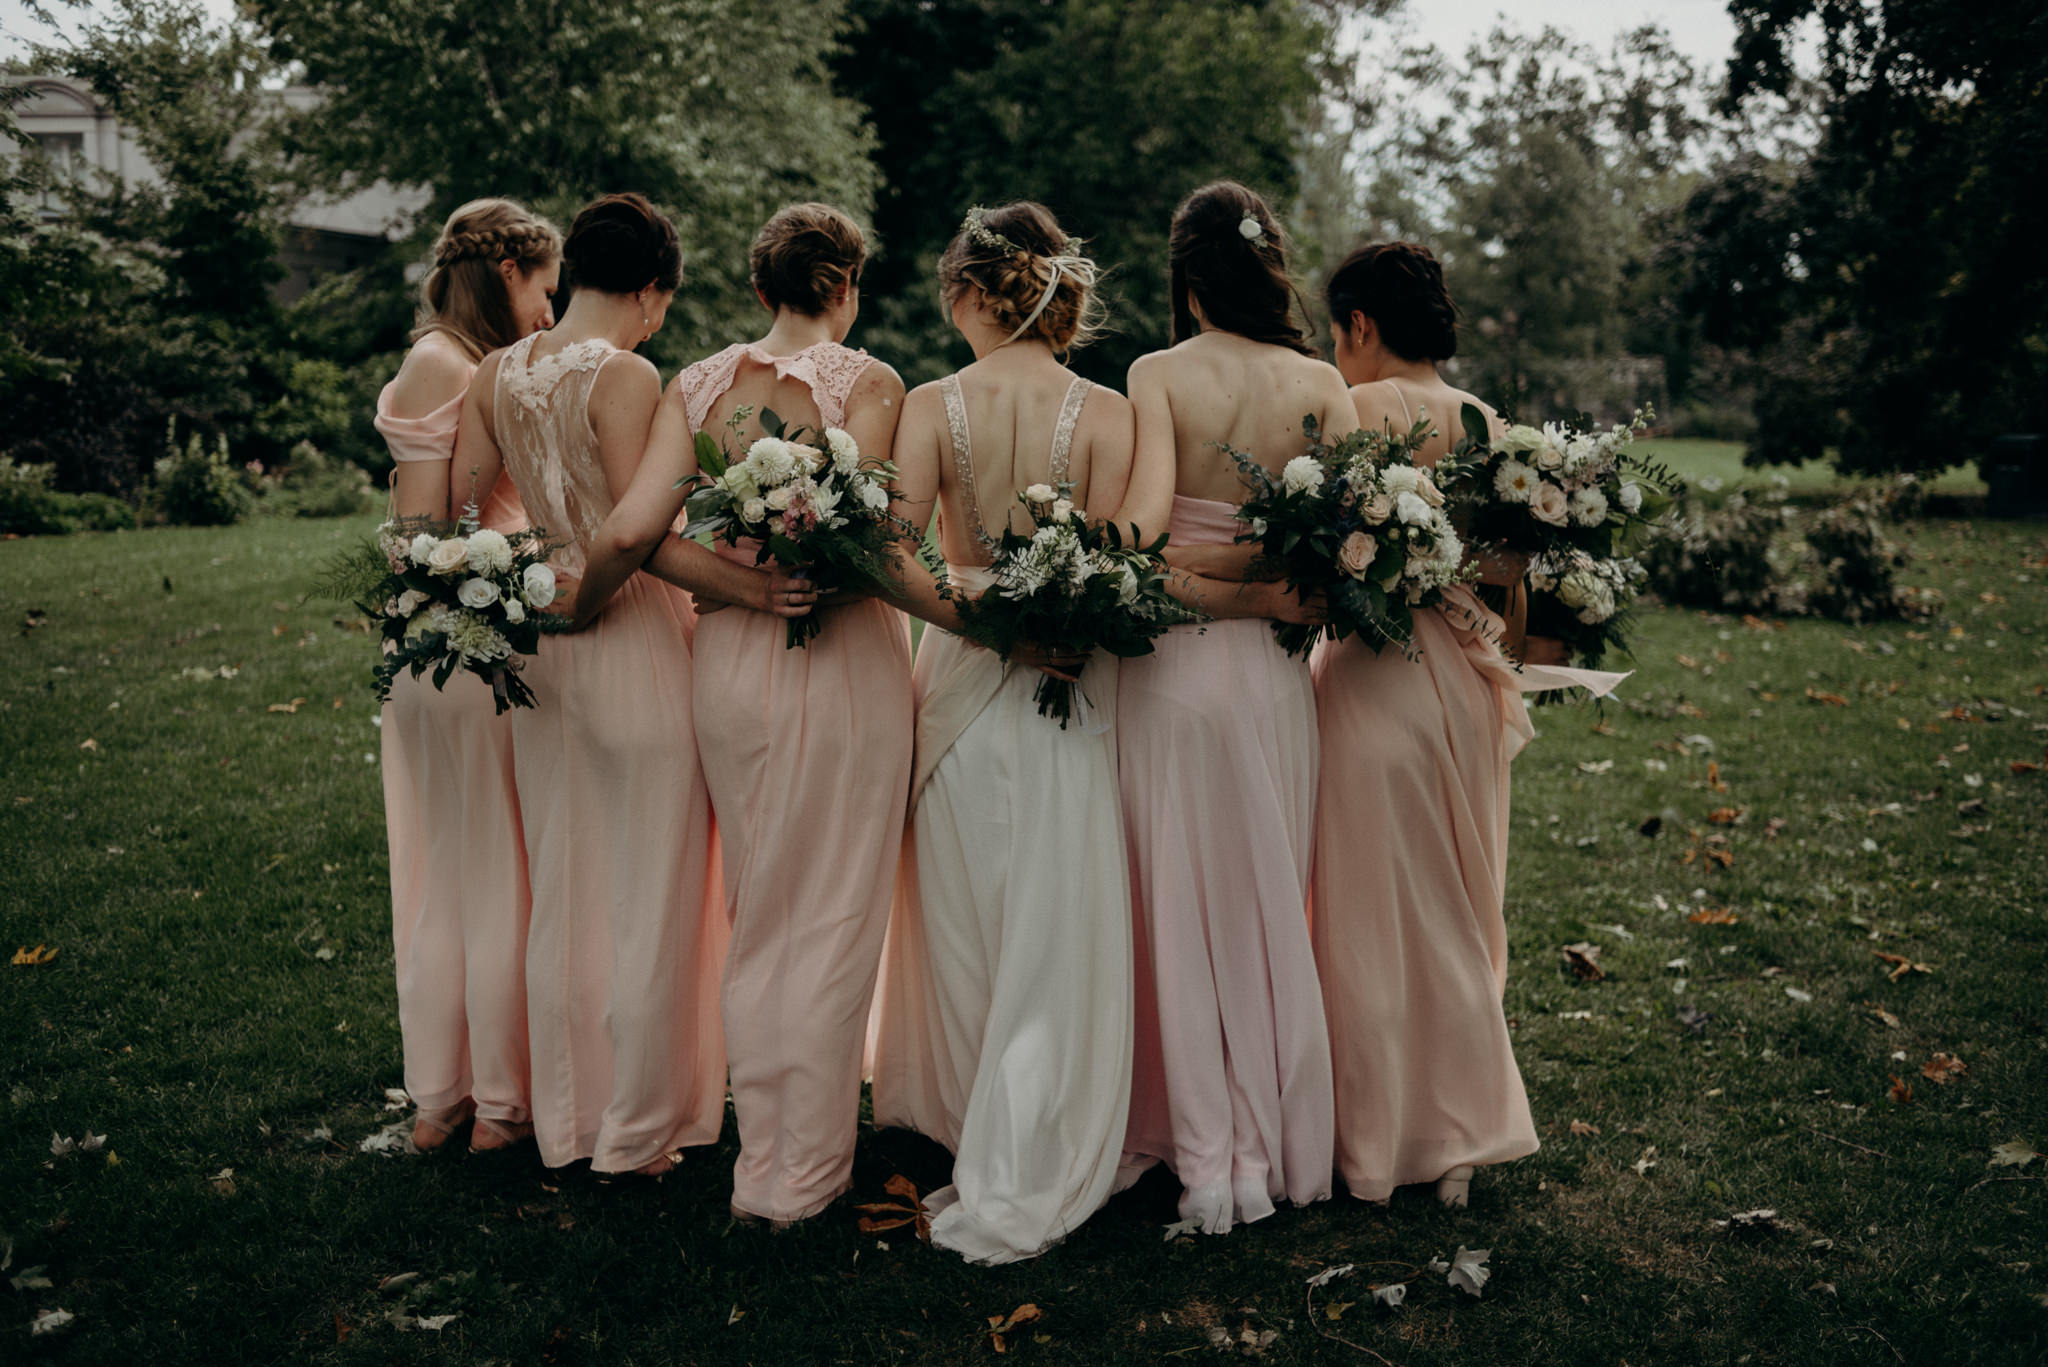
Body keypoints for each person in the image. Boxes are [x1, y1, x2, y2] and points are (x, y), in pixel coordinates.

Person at [576, 203, 912, 1224]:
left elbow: (635, 528)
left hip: (725, 664)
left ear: (760, 289)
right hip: (842, 660)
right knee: (833, 910)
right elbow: (883, 546)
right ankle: (796, 1171)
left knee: (759, 905)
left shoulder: (697, 383)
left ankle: (761, 1159)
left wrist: (738, 581)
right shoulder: (872, 384)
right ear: (845, 288)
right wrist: (793, 580)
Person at [868, 202, 1137, 1263]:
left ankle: (979, 1126)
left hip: (962, 677)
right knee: (1051, 915)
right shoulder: (1109, 411)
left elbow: (894, 553)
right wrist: (1051, 627)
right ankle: (1035, 1130)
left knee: (966, 911)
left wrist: (985, 623)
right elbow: (1122, 555)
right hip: (1070, 682)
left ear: (973, 294)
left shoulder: (934, 403)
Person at [448, 193, 725, 1176]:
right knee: (649, 889)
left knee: (565, 889)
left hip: (536, 656)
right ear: (649, 290)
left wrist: (524, 575)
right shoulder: (629, 375)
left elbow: (463, 510)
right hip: (625, 638)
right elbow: (642, 537)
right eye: (662, 301)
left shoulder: (492, 372)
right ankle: (637, 1132)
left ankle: (565, 1120)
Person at [1106, 181, 1355, 1233]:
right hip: (1272, 676)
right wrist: (1265, 577)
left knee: (1174, 901)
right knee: (1265, 904)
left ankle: (1198, 1147)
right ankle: (1273, 1144)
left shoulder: (1156, 373)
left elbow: (1135, 543)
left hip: (1173, 670)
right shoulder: (1320, 384)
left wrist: (1194, 563)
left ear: (1186, 274)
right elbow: (1345, 549)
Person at [1315, 239, 1540, 1206]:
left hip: (1376, 677)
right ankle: (1457, 1139)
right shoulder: (1492, 425)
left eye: (1336, 332)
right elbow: (1512, 596)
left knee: (1369, 916)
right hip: (1469, 684)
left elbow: (1320, 569)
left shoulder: (1356, 412)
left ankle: (1378, 1133)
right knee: (1461, 899)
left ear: (1359, 325)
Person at [374, 197, 559, 1153]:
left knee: (448, 871)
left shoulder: (440, 359)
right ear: (505, 275)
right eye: (542, 289)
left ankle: (450, 1096)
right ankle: (491, 1102)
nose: (550, 314)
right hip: (466, 646)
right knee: (492, 874)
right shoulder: (459, 365)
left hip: (433, 648)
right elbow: (427, 535)